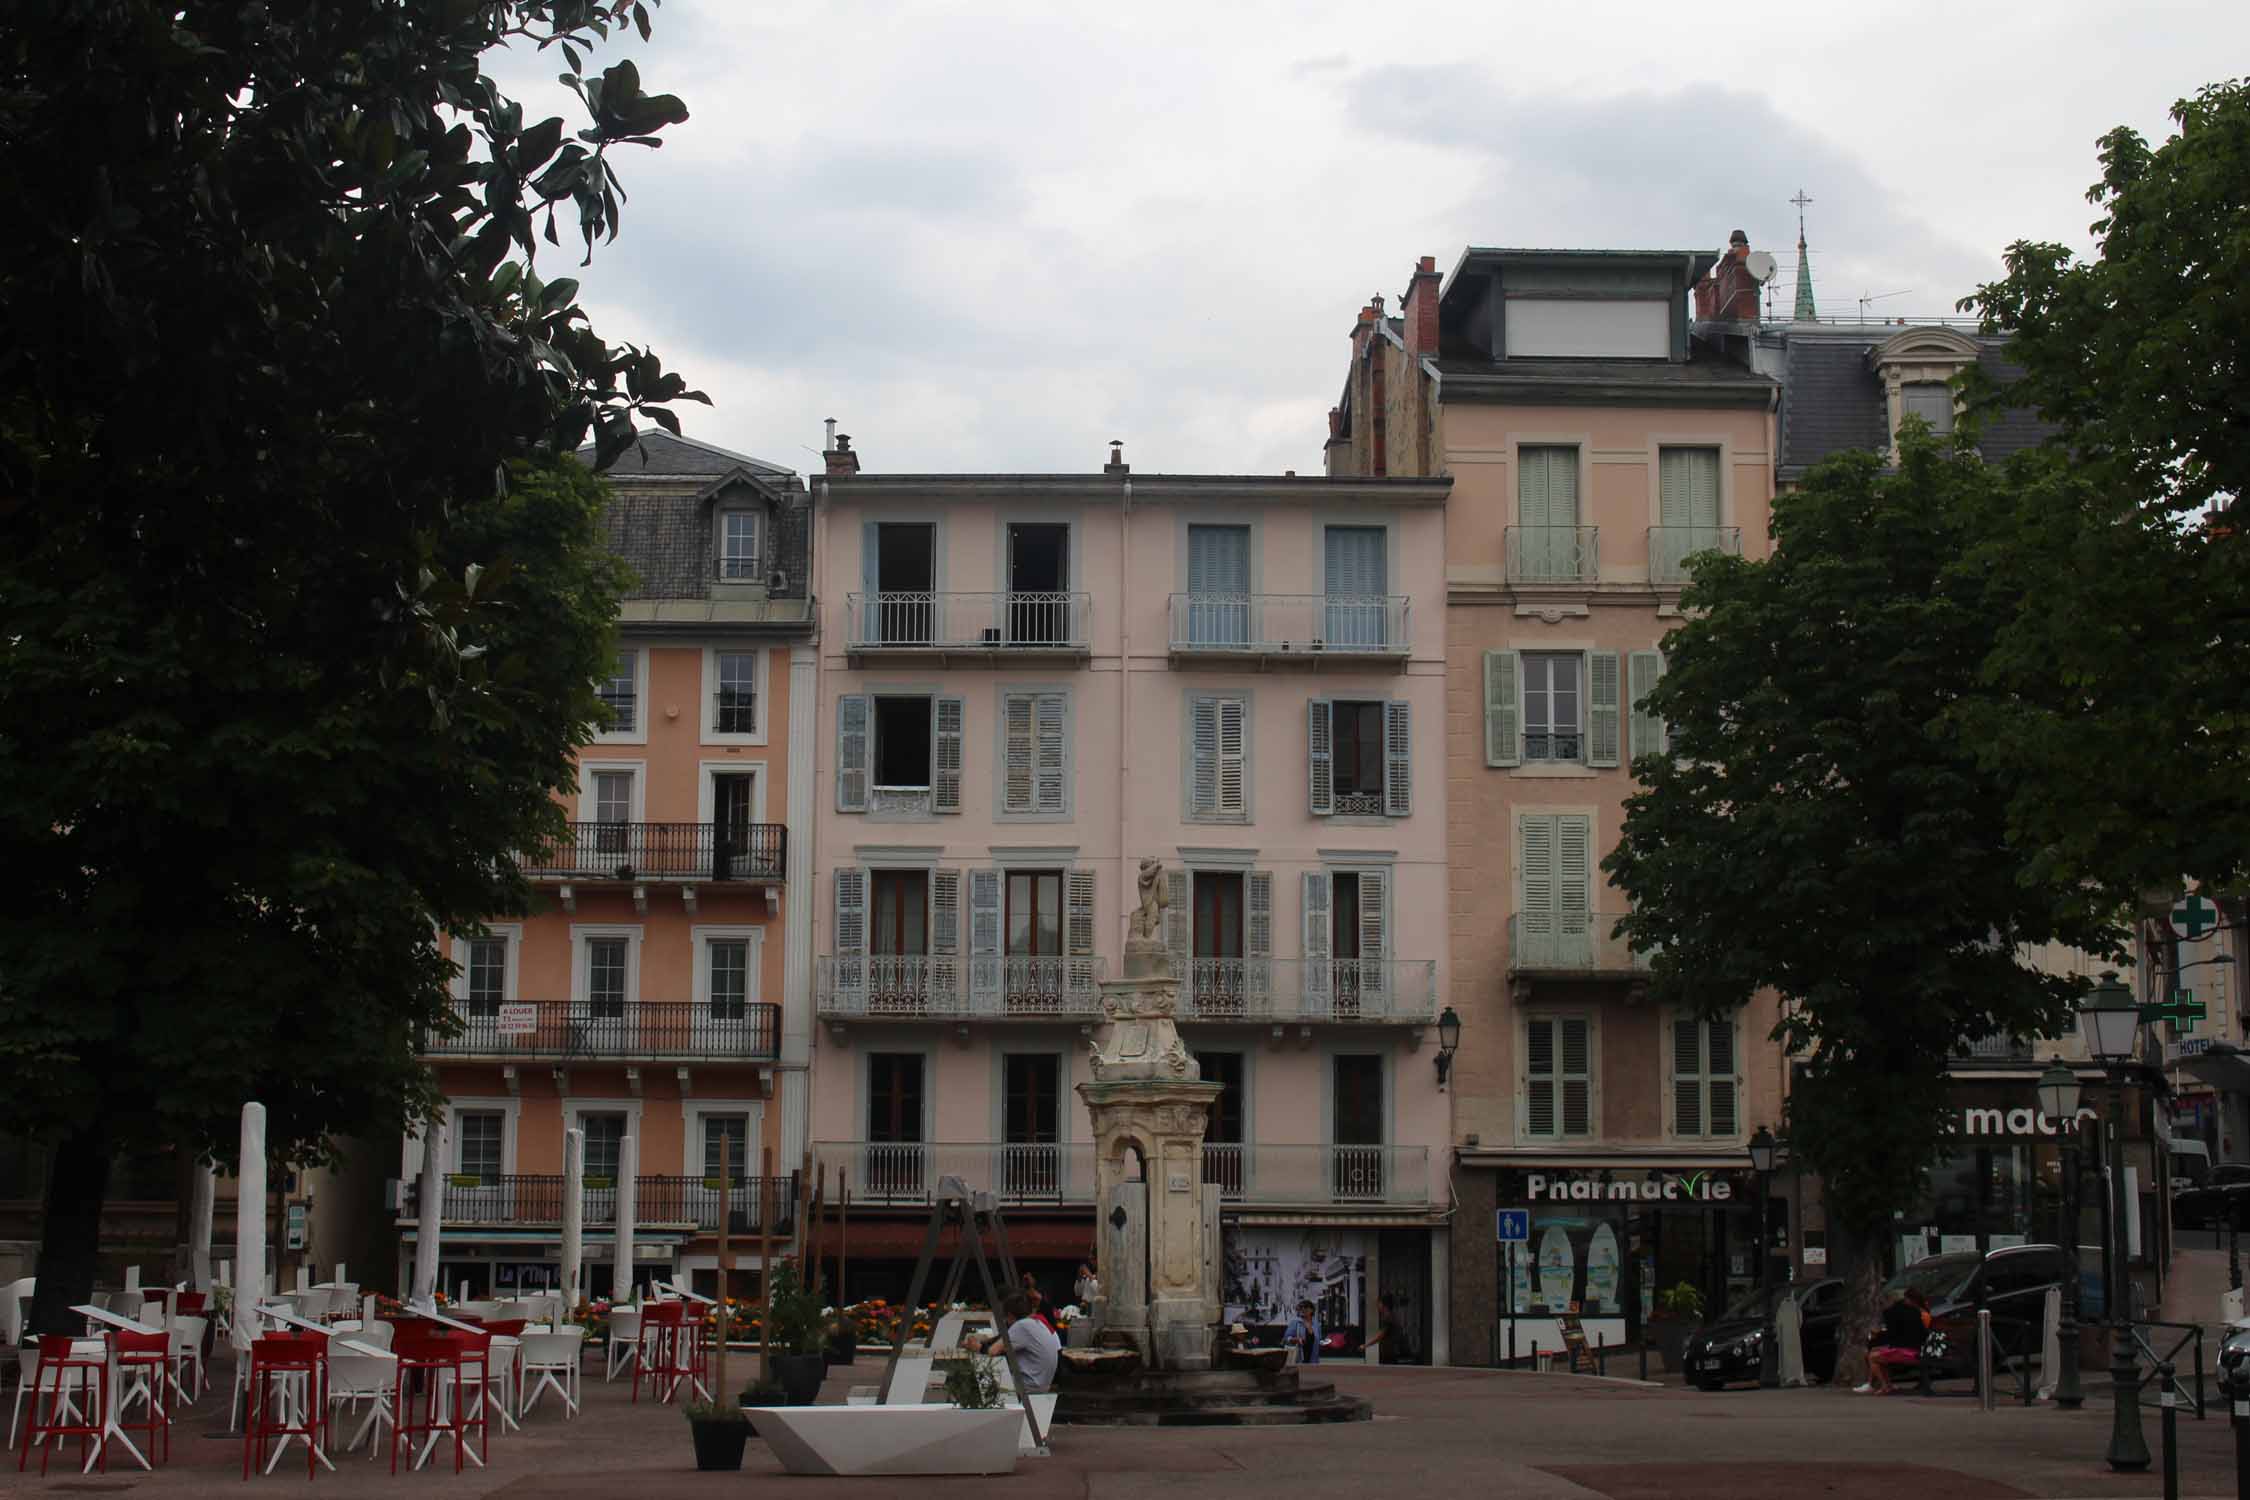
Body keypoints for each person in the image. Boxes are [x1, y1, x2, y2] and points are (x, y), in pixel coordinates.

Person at [974, 1290, 1061, 1393]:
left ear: (1010, 1315)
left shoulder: (1021, 1326)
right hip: (1043, 1384)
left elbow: (992, 1352)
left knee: (978, 1378)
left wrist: (976, 1347)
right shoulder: (1038, 1322)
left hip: (1028, 1386)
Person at [1858, 1287, 1929, 1395]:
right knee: (1875, 1351)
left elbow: (1895, 1335)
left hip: (1908, 1351)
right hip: (1917, 1348)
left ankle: (1885, 1386)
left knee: (1872, 1356)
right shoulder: (1915, 1312)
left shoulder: (1894, 1313)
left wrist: (1880, 1334)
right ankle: (1884, 1384)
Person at [1360, 1293, 1417, 1365]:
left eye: (1379, 1303)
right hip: (1391, 1351)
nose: (1377, 1305)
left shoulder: (1388, 1317)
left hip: (1390, 1352)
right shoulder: (1391, 1316)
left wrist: (1365, 1346)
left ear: (1384, 1305)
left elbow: (1380, 1336)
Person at [1282, 1299, 1323, 1365]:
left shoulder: (1316, 1324)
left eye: (1305, 1307)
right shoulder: (1295, 1323)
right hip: (1298, 1359)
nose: (1303, 1309)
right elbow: (1286, 1339)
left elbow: (1319, 1340)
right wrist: (1295, 1339)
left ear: (1311, 1310)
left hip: (1313, 1360)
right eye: (1301, 1307)